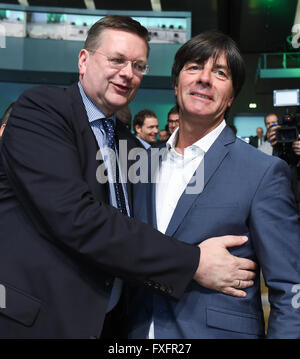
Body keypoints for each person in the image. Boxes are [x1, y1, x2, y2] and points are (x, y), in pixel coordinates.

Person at [0, 16, 256, 339]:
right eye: (117, 60)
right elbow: (79, 219)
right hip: (40, 323)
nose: (127, 74)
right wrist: (194, 262)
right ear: (84, 60)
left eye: (138, 66)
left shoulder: (130, 145)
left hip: (112, 326)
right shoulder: (41, 111)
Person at [126, 30, 300, 339]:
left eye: (220, 73)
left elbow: (290, 289)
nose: (205, 78)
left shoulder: (263, 171)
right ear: (176, 82)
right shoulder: (140, 164)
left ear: (232, 95)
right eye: (194, 67)